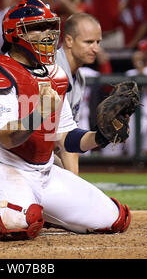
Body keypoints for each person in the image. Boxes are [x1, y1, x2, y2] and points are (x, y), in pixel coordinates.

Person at [0, 0, 131, 241]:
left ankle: (34, 208)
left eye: (48, 27)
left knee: (115, 219)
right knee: (20, 223)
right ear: (14, 34)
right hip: (0, 167)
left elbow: (66, 137)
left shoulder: (56, 74)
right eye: (36, 28)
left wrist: (101, 136)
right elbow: (8, 137)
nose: (46, 34)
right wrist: (39, 113)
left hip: (43, 172)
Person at [55, 12, 106, 173]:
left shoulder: (79, 78)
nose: (96, 49)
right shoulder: (51, 70)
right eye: (89, 42)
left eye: (98, 42)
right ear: (69, 40)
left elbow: (69, 139)